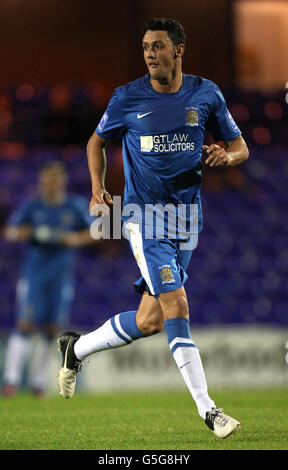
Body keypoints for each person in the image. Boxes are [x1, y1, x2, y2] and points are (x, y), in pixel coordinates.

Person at [57, 18, 249, 439]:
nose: (149, 53)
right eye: (145, 46)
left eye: (158, 46)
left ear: (179, 50)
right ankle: (210, 411)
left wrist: (226, 158)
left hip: (187, 218)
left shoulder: (206, 93)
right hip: (143, 218)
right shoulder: (127, 97)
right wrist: (96, 189)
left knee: (151, 320)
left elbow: (240, 147)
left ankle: (77, 347)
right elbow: (96, 142)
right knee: (177, 305)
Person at [2, 161, 94, 397]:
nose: (51, 183)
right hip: (34, 276)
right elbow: (10, 231)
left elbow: (97, 232)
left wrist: (75, 239)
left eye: (55, 179)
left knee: (52, 329)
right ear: (42, 180)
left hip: (61, 278)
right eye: (47, 178)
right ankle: (11, 381)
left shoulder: (74, 206)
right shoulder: (31, 206)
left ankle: (38, 383)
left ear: (62, 181)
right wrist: (25, 233)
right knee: (25, 325)